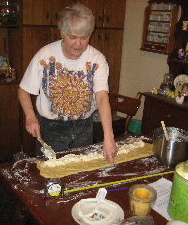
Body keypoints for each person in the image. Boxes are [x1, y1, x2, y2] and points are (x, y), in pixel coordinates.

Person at [18, 3, 117, 164]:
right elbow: (23, 90)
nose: (79, 44)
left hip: (83, 128)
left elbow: (101, 98)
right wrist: (30, 117)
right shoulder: (45, 56)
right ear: (62, 33)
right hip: (50, 128)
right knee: (51, 175)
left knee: (79, 173)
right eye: (73, 37)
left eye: (84, 37)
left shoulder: (97, 59)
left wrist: (109, 137)